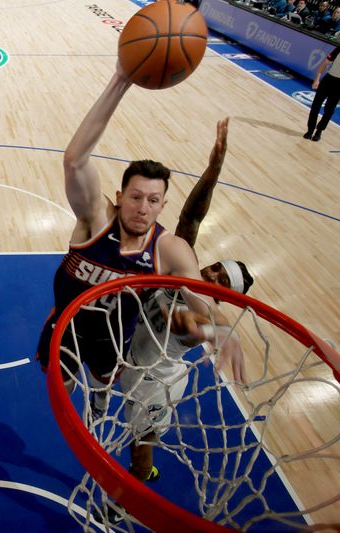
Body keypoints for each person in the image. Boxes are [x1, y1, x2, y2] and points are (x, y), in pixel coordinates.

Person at [35, 63, 245, 407]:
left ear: (163, 206)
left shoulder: (170, 249)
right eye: (135, 197)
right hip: (66, 329)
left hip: (114, 340)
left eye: (152, 200)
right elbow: (74, 160)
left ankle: (100, 403)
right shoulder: (95, 219)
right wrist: (120, 79)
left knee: (102, 386)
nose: (142, 207)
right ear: (119, 198)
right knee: (64, 387)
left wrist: (221, 328)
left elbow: (200, 302)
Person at [120, 117, 254, 486]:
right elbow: (191, 216)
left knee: (140, 444)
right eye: (213, 270)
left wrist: (214, 329)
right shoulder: (188, 272)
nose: (210, 277)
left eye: (221, 282)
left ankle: (131, 494)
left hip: (156, 382)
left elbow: (184, 324)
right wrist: (213, 169)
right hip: (132, 357)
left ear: (226, 296)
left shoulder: (200, 322)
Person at [303, 45, 340, 142]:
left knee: (329, 109)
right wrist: (317, 79)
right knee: (315, 105)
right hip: (328, 80)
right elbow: (325, 63)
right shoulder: (339, 49)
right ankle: (310, 130)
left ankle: (319, 130)